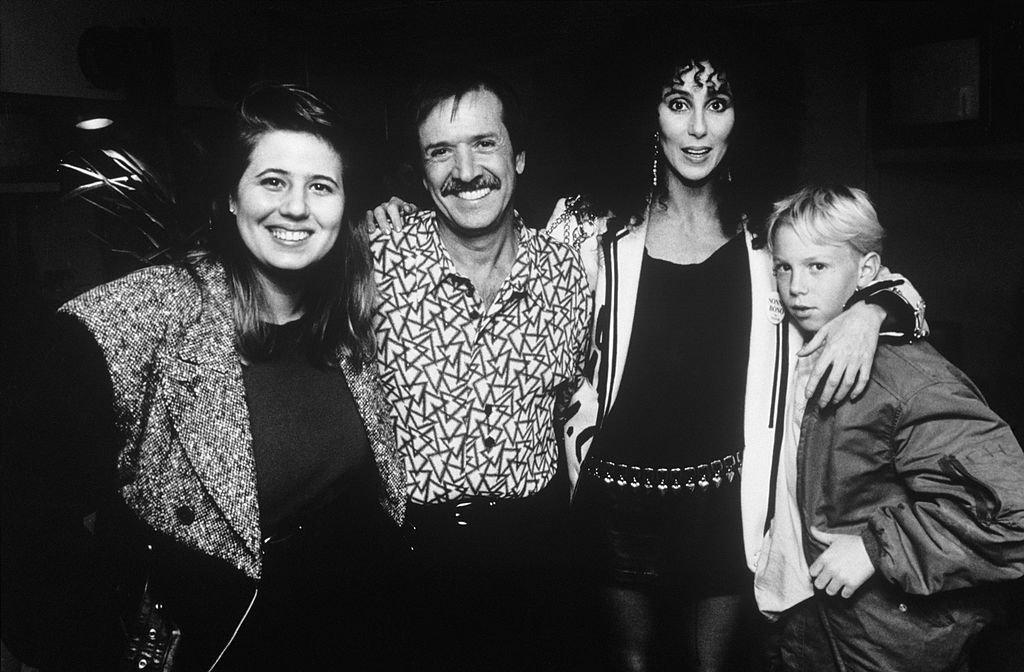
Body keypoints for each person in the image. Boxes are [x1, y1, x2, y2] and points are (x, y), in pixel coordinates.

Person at [544, 39, 928, 671]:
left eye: (716, 103)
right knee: (628, 662)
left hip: (727, 502)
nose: (697, 128)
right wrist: (395, 222)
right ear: (648, 113)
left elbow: (897, 288)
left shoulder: (771, 232)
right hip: (614, 501)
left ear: (743, 116)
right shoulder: (591, 227)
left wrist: (869, 311)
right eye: (677, 103)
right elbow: (505, 271)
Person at [1, 83, 406, 671]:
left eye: (321, 186)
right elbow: (21, 525)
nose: (296, 207)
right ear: (232, 199)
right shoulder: (146, 314)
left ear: (344, 209)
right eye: (273, 181)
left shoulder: (347, 324)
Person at [368, 70, 592, 672]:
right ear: (421, 174)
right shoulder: (372, 264)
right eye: (441, 151)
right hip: (417, 560)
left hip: (539, 553)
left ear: (519, 156)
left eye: (484, 143)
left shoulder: (565, 274)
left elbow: (577, 397)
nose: (465, 171)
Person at [762, 184, 1024, 672]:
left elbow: (1015, 513)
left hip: (886, 641)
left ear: (865, 271)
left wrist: (875, 547)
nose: (796, 286)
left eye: (818, 266)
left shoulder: (904, 378)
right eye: (784, 267)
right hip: (808, 626)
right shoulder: (789, 349)